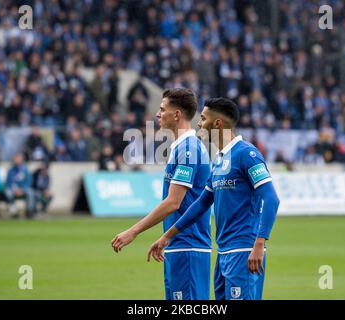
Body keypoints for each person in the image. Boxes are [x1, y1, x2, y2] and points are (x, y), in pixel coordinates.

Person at [148, 98, 280, 300]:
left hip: (244, 250)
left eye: (203, 118)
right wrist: (168, 235)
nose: (199, 123)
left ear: (217, 123)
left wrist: (259, 243)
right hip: (224, 253)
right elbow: (201, 203)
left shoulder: (247, 154)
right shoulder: (220, 159)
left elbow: (271, 199)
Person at [111, 88, 212, 300]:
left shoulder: (189, 149)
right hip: (179, 246)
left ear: (176, 115)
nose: (158, 114)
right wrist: (166, 238)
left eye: (162, 109)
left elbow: (173, 202)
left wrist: (134, 231)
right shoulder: (180, 147)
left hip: (188, 247)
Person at [5, 153, 35, 218]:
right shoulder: (11, 170)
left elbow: (28, 182)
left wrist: (22, 189)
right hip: (13, 189)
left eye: (19, 159)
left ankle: (29, 212)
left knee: (31, 193)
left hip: (23, 189)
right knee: (8, 193)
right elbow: (8, 182)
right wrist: (15, 189)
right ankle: (14, 212)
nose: (17, 160)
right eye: (16, 159)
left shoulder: (25, 170)